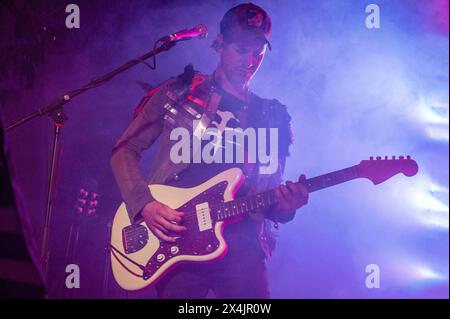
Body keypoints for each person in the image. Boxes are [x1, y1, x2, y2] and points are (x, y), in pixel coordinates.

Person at [110, 2, 309, 299]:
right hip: (179, 240)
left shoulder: (272, 115)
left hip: (244, 250)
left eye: (258, 52)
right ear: (220, 44)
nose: (250, 60)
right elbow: (124, 150)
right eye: (241, 49)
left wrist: (287, 206)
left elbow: (270, 197)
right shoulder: (179, 92)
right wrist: (144, 204)